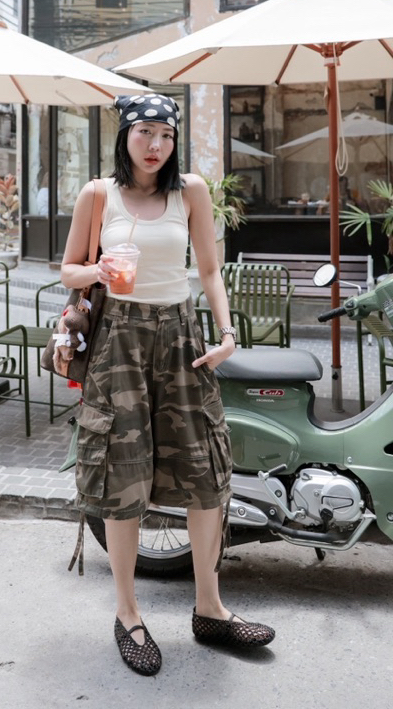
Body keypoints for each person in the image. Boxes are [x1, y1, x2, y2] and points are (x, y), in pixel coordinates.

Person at [60, 94, 275, 677]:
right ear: (124, 136)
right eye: (144, 133)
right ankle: (127, 613)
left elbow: (209, 268)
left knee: (204, 470)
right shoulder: (98, 194)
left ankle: (210, 608)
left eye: (166, 134)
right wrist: (99, 269)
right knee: (122, 474)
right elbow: (69, 269)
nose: (156, 145)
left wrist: (227, 333)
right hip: (119, 341)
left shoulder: (191, 191)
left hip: (181, 335)